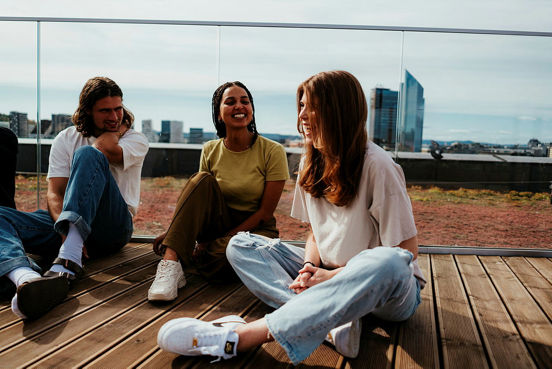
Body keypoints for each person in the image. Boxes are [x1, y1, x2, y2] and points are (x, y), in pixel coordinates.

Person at [155, 71, 426, 364]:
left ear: (341, 111)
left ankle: (241, 337)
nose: (303, 116)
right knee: (240, 246)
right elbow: (315, 233)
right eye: (301, 106)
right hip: (325, 272)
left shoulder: (378, 166)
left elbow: (405, 255)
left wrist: (333, 276)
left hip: (386, 292)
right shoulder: (311, 161)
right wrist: (310, 265)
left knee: (388, 261)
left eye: (313, 107)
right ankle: (332, 323)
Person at [0, 76, 149, 320]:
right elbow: (55, 193)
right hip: (66, 227)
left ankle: (67, 261)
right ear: (87, 111)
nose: (114, 117)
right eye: (105, 111)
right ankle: (26, 278)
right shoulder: (65, 138)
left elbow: (103, 150)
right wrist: (66, 231)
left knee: (88, 154)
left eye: (118, 109)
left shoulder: (134, 139)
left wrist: (121, 129)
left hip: (111, 228)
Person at [147, 81, 290, 302]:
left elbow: (265, 213)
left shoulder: (272, 151)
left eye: (245, 101)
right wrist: (176, 233)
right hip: (217, 225)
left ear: (251, 109)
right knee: (201, 179)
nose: (239, 106)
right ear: (219, 113)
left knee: (221, 255)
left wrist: (214, 241)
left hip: (254, 230)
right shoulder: (210, 149)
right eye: (230, 102)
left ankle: (190, 259)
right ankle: (170, 263)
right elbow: (198, 197)